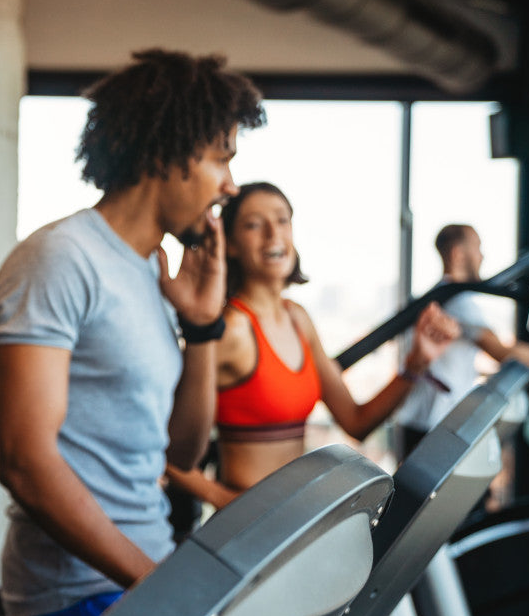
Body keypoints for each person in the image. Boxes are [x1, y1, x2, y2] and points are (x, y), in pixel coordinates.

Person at [0, 48, 266, 616]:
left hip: (146, 566)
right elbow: (25, 463)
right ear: (169, 152)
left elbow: (181, 454)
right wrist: (160, 588)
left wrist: (201, 328)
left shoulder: (148, 270)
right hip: (74, 591)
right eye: (221, 158)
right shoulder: (60, 259)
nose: (230, 185)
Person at [164, 182, 460, 510]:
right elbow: (161, 446)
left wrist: (416, 364)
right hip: (248, 527)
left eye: (282, 220)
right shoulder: (232, 329)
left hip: (295, 518)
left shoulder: (297, 318)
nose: (273, 234)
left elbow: (356, 420)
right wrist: (225, 500)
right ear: (230, 244)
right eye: (253, 225)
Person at [393, 224, 529, 459]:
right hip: (434, 428)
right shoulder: (457, 301)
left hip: (419, 423)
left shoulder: (439, 296)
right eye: (477, 247)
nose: (482, 256)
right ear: (458, 254)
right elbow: (500, 351)